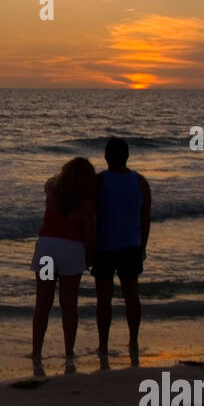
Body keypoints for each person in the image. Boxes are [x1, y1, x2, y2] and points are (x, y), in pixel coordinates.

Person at [29, 157, 97, 363]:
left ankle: (37, 351)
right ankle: (68, 351)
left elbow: (49, 181)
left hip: (48, 248)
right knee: (69, 304)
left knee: (43, 303)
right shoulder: (87, 204)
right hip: (71, 249)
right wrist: (89, 259)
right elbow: (89, 236)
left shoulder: (53, 192)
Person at [91, 137, 152, 365]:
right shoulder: (140, 181)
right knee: (131, 296)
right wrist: (143, 245)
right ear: (127, 156)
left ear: (106, 157)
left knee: (104, 298)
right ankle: (133, 340)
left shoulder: (100, 181)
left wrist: (89, 244)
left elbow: (92, 215)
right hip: (131, 245)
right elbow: (145, 218)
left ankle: (104, 344)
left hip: (105, 246)